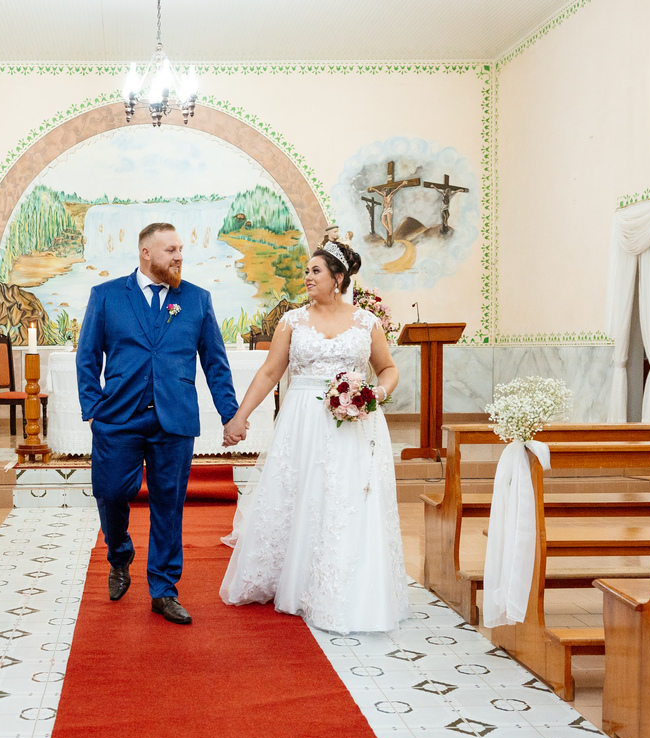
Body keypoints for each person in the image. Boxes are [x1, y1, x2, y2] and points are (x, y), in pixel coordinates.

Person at [219, 239, 411, 633]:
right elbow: (270, 373)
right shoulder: (292, 321)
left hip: (353, 421)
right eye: (306, 271)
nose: (307, 277)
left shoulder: (366, 323)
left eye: (316, 271)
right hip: (302, 421)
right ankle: (291, 576)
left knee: (343, 498)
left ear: (338, 278)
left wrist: (374, 394)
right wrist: (240, 417)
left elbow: (388, 368)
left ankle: (342, 583)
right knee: (299, 493)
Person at [76, 222, 242, 625]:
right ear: (146, 253)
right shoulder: (106, 296)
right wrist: (95, 407)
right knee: (111, 492)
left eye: (180, 249)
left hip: (175, 418)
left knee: (169, 506)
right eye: (170, 250)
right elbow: (87, 356)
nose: (179, 256)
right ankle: (120, 553)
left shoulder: (197, 300)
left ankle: (164, 590)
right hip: (118, 417)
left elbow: (215, 363)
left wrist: (230, 413)